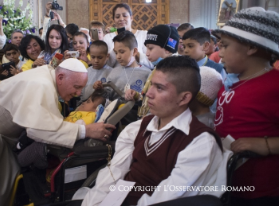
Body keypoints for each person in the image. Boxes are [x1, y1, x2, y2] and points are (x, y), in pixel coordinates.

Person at [76, 56, 231, 206]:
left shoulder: (200, 142)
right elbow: (112, 175)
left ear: (184, 98)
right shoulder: (138, 127)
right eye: (151, 84)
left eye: (159, 88)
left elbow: (167, 198)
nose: (149, 93)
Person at [0, 58, 116, 206]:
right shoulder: (41, 84)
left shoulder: (49, 77)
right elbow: (39, 130)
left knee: (1, 181)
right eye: (76, 87)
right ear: (60, 77)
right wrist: (85, 130)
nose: (78, 94)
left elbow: (46, 122)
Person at [212, 7, 279, 206]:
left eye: (225, 46)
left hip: (260, 191)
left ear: (251, 47)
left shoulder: (274, 86)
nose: (219, 52)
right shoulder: (233, 80)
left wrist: (265, 145)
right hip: (229, 183)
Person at [125, 24, 179, 118]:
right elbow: (148, 95)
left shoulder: (175, 73)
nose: (147, 53)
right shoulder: (157, 68)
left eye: (150, 48)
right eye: (146, 48)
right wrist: (137, 95)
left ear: (167, 49)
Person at [94, 31, 151, 100]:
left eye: (122, 52)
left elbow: (147, 98)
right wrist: (99, 89)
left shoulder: (146, 73)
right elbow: (106, 95)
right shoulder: (114, 72)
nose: (118, 56)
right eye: (116, 53)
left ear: (134, 51)